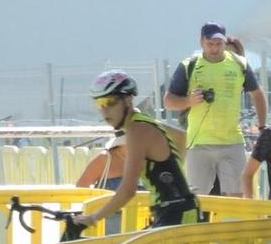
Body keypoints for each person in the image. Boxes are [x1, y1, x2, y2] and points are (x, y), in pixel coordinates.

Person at [70, 71, 200, 233]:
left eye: (110, 101)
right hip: (174, 209)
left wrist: (93, 217)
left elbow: (128, 191)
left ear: (128, 99)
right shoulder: (142, 122)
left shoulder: (136, 130)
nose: (104, 110)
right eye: (99, 103)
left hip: (176, 212)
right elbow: (181, 137)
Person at [166, 22, 266, 199]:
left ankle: (230, 226)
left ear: (224, 42)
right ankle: (200, 226)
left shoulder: (239, 63)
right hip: (198, 143)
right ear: (201, 42)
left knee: (235, 198)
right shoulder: (189, 65)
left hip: (232, 141)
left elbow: (257, 94)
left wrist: (262, 126)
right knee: (197, 200)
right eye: (210, 44)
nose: (214, 48)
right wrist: (189, 101)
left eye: (218, 44)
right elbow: (168, 101)